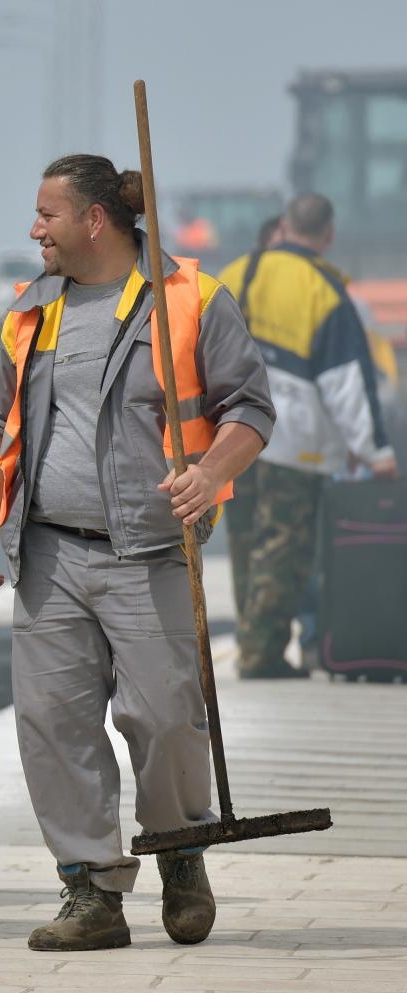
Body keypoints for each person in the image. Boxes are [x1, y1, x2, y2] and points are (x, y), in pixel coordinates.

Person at [0, 155, 275, 951]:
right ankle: (91, 891)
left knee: (165, 718)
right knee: (53, 724)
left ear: (94, 220)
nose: (35, 229)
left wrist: (212, 473)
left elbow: (250, 409)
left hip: (152, 550)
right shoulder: (30, 311)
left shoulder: (190, 299)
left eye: (48, 215)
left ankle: (180, 852)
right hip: (49, 554)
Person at [218, 194, 397, 679]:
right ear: (328, 233)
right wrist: (374, 451)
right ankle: (261, 652)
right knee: (284, 548)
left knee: (245, 542)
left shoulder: (235, 274)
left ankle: (253, 640)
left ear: (283, 225)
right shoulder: (324, 289)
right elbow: (346, 382)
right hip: (294, 443)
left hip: (230, 437)